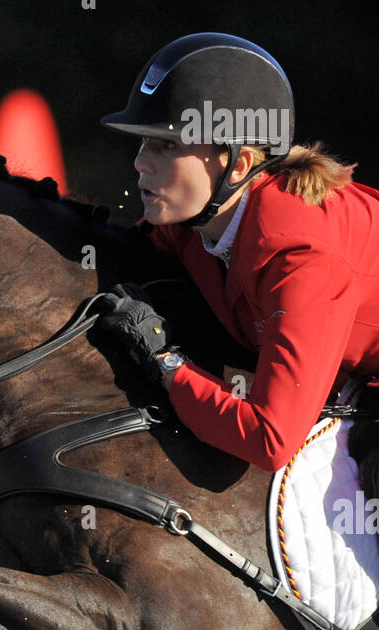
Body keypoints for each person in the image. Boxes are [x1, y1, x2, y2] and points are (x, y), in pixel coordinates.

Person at [94, 32, 379, 472]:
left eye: (166, 145)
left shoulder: (301, 253)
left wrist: (165, 362)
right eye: (144, 142)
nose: (140, 162)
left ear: (239, 163)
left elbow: (271, 440)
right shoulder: (192, 221)